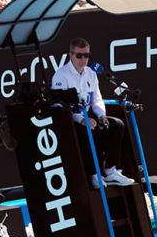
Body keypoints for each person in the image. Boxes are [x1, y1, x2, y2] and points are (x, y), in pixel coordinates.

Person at [50, 37, 135, 186]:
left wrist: (101, 115)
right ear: (71, 55)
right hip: (69, 120)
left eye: (86, 55)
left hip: (88, 115)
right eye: (79, 55)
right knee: (86, 130)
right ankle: (93, 174)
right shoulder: (61, 76)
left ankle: (110, 171)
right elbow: (60, 107)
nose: (83, 60)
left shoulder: (91, 73)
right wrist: (81, 119)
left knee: (117, 125)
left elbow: (96, 99)